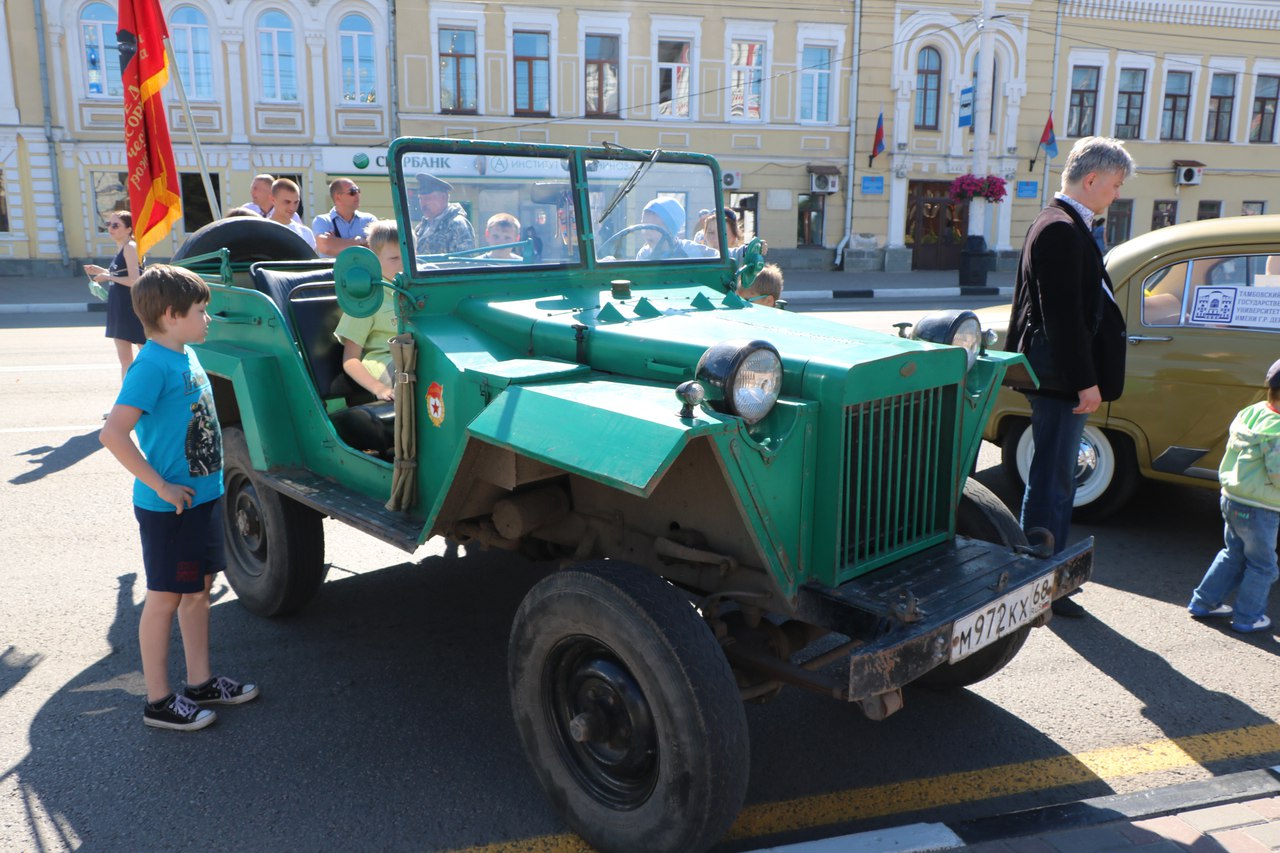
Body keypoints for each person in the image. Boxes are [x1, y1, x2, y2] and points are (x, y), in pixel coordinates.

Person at [98, 265, 259, 731]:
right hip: (171, 508)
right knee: (164, 599)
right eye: (200, 311)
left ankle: (201, 681)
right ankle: (158, 701)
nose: (207, 319)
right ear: (171, 315)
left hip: (202, 499)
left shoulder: (184, 353)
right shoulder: (150, 365)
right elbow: (113, 434)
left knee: (197, 592)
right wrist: (161, 486)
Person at [1006, 136, 1134, 618]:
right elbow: (1061, 317)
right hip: (1061, 377)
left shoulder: (1062, 223)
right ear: (1092, 179)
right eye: (1116, 185)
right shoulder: (1060, 228)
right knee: (1053, 479)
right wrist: (1085, 380)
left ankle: (1042, 575)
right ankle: (1038, 583)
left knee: (1054, 476)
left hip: (1061, 375)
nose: (1117, 194)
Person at [1187, 359, 1280, 634]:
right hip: (1262, 507)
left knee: (1233, 553)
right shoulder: (1277, 432)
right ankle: (1248, 617)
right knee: (1263, 565)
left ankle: (1203, 602)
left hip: (1232, 498)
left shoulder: (1250, 413)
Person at [334, 220, 402, 402]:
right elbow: (350, 359)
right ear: (373, 260)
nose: (403, 265)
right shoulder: (366, 300)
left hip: (418, 359)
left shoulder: (417, 294)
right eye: (394, 259)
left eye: (409, 257)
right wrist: (378, 388)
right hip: (389, 366)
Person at [84, 211, 146, 381]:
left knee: (146, 355)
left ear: (129, 229)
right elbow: (122, 275)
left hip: (132, 306)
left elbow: (136, 280)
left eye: (115, 225)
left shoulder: (130, 247)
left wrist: (108, 277)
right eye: (109, 225)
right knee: (125, 360)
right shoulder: (121, 247)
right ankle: (127, 399)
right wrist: (102, 271)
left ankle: (151, 394)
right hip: (118, 306)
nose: (110, 228)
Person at [412, 173, 475, 255]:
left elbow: (463, 262)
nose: (423, 203)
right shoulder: (422, 226)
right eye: (420, 198)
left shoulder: (457, 224)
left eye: (428, 198)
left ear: (443, 197)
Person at [312, 178, 377, 258]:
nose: (357, 195)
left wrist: (335, 242)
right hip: (334, 270)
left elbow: (378, 248)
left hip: (362, 270)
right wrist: (359, 241)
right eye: (352, 192)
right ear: (338, 198)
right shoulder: (322, 221)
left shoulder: (369, 220)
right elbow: (325, 247)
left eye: (358, 191)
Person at [267, 178, 316, 250]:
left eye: (296, 202)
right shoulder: (261, 230)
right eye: (287, 202)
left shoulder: (306, 233)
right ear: (273, 200)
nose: (292, 208)